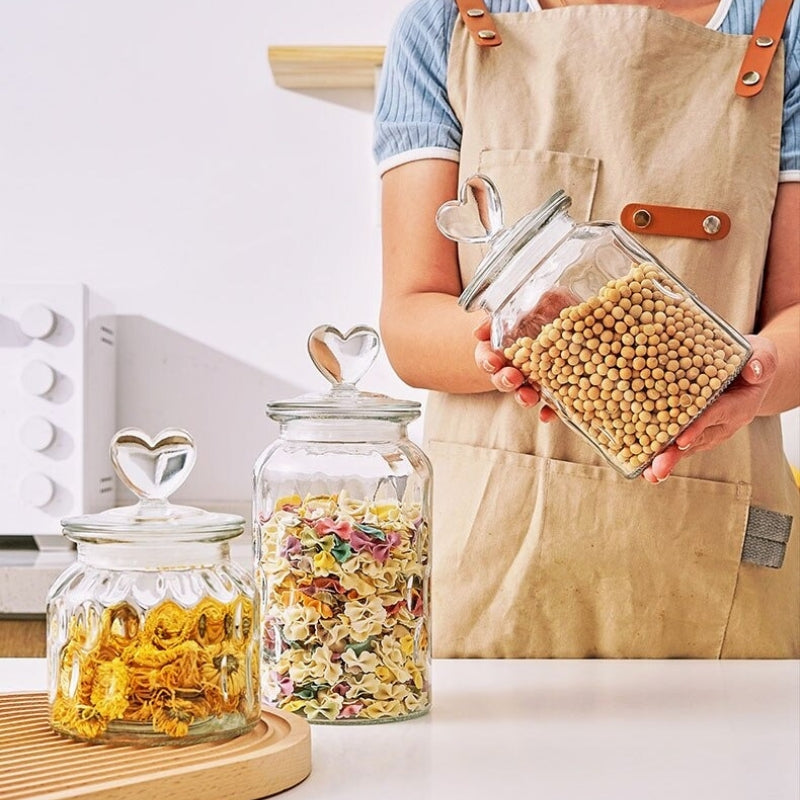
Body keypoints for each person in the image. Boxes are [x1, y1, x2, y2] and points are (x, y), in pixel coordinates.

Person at [373, 0, 800, 658]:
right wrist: (502, 341)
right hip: (494, 564)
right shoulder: (444, 22)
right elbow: (409, 315)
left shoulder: (785, 24)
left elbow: (795, 313)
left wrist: (754, 371)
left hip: (716, 561)